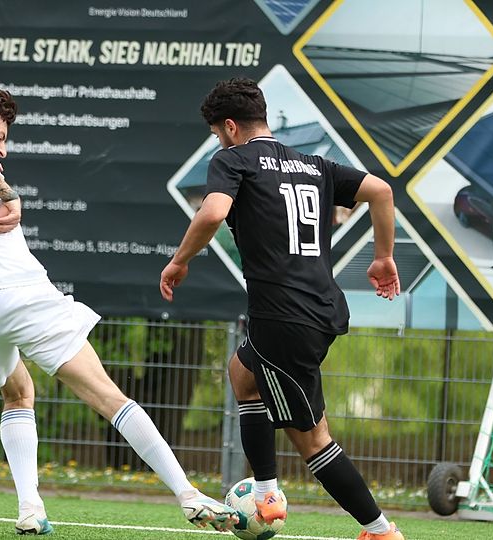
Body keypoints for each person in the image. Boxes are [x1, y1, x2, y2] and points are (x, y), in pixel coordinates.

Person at [0, 87, 238, 536]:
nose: (2, 148)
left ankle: (30, 508)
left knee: (18, 393)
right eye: (1, 136)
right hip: (12, 290)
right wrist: (10, 196)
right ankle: (188, 495)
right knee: (108, 396)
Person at [160, 78, 405, 540]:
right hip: (320, 307)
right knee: (242, 372)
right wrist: (383, 256)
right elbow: (382, 192)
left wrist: (179, 262)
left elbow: (212, 213)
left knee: (313, 441)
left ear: (230, 127)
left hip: (283, 317)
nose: (219, 142)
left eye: (216, 134)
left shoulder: (233, 159)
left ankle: (380, 530)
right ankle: (267, 491)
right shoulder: (314, 164)